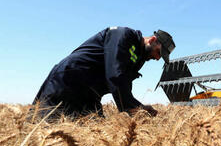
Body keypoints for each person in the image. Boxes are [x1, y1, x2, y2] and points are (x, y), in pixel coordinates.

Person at [32, 27, 175, 120]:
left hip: (89, 95)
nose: (157, 58)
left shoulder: (139, 59)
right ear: (152, 40)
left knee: (94, 135)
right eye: (158, 53)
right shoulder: (123, 35)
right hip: (67, 83)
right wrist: (137, 109)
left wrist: (139, 107)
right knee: (43, 128)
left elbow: (124, 86)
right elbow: (115, 75)